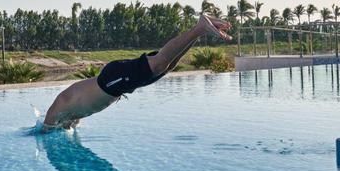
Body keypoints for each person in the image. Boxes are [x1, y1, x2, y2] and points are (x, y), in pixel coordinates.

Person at [43, 13, 232, 129]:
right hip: (114, 83)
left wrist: (46, 132)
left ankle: (200, 26)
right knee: (167, 66)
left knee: (159, 64)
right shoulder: (67, 117)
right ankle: (202, 30)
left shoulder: (53, 118)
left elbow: (51, 128)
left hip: (110, 81)